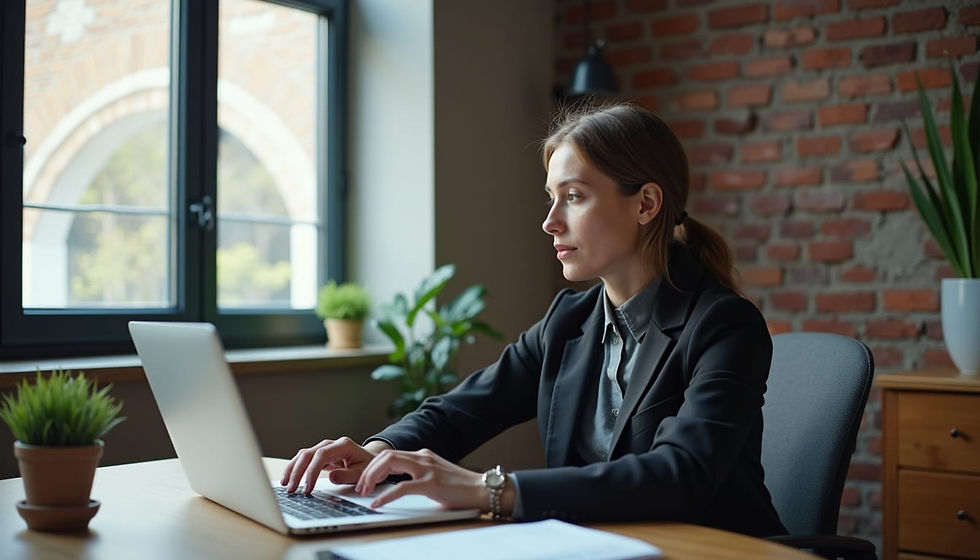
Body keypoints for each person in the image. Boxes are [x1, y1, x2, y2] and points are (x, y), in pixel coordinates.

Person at [281, 102, 787, 537]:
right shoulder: (567, 321)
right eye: (552, 198)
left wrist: (488, 490)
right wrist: (378, 451)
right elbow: (462, 412)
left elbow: (680, 475)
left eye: (573, 196)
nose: (550, 222)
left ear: (646, 203)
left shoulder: (723, 325)